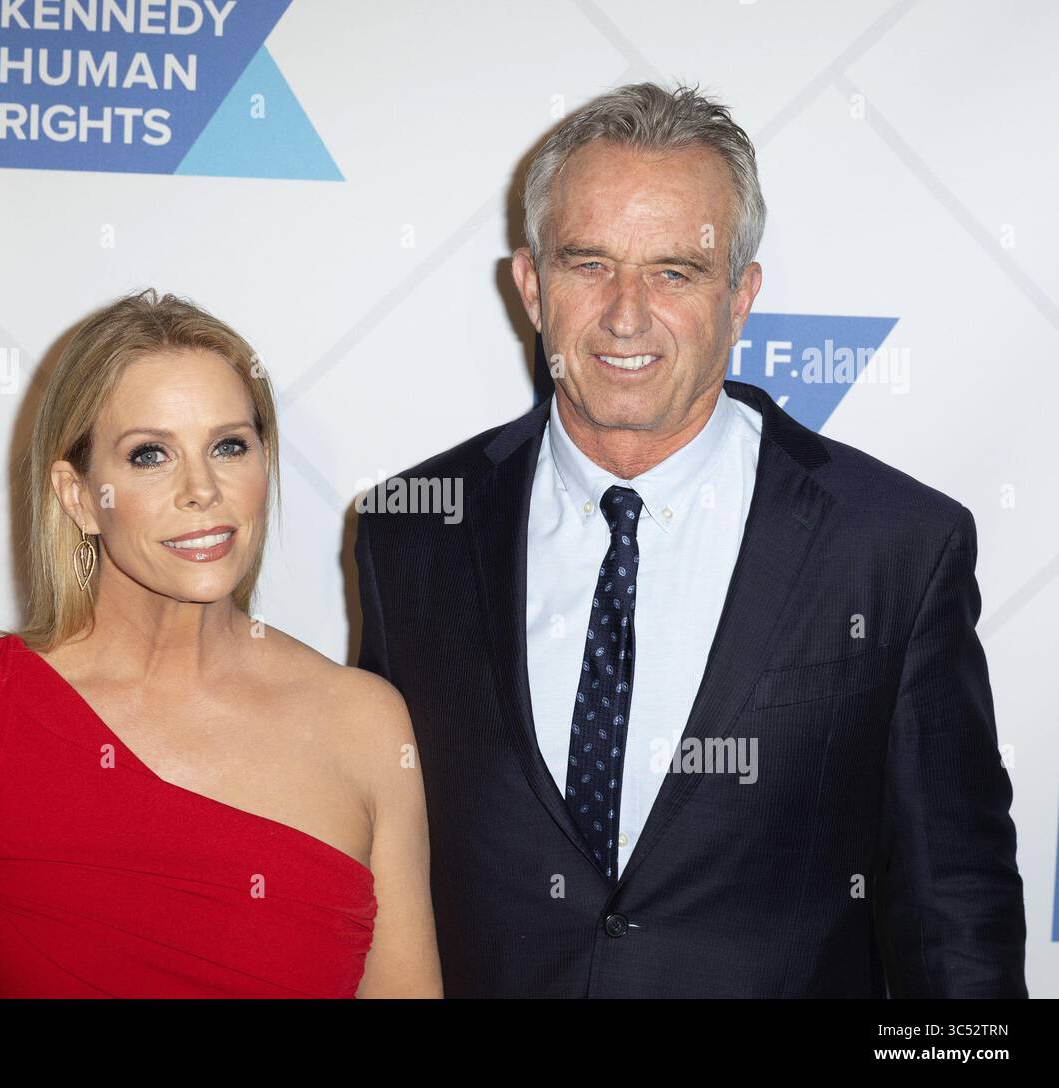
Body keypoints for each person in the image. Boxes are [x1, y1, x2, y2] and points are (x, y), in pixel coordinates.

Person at [353, 82, 1027, 997]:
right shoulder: (412, 532)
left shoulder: (894, 545)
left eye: (675, 271)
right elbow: (378, 860)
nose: (627, 314)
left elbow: (954, 913)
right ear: (530, 286)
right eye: (588, 263)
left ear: (741, 297)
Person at [0, 289, 441, 999]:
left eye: (229, 446)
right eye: (150, 455)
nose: (202, 489)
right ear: (79, 495)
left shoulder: (365, 723)